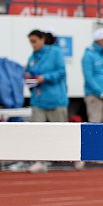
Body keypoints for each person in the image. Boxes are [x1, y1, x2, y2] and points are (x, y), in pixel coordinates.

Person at [23, 29, 69, 172]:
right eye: (31, 42)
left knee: (61, 132)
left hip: (55, 99)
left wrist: (45, 78)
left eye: (35, 41)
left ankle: (72, 157)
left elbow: (61, 72)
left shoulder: (55, 53)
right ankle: (39, 160)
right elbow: (29, 76)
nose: (33, 45)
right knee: (37, 132)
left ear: (42, 39)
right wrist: (29, 79)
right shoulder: (32, 58)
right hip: (38, 100)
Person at [82, 27, 103, 123]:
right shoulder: (88, 55)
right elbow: (89, 77)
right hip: (94, 95)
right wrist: (101, 93)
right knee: (95, 123)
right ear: (98, 40)